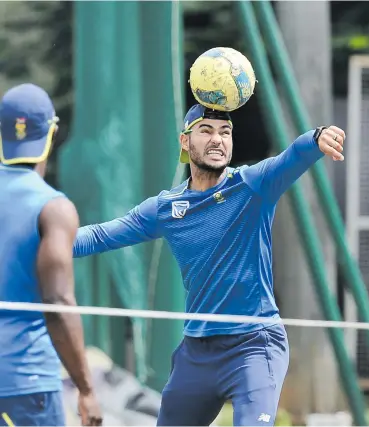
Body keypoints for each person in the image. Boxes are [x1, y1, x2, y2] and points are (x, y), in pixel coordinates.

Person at [73, 103, 345, 426]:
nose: (218, 140)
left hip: (254, 346)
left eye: (225, 132)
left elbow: (289, 159)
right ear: (185, 142)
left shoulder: (251, 186)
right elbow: (101, 235)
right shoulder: (166, 208)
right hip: (198, 352)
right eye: (206, 131)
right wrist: (43, 241)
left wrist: (316, 138)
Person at [0, 83, 102, 427]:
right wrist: (86, 389)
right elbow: (57, 303)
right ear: (52, 133)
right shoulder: (54, 208)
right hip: (25, 386)